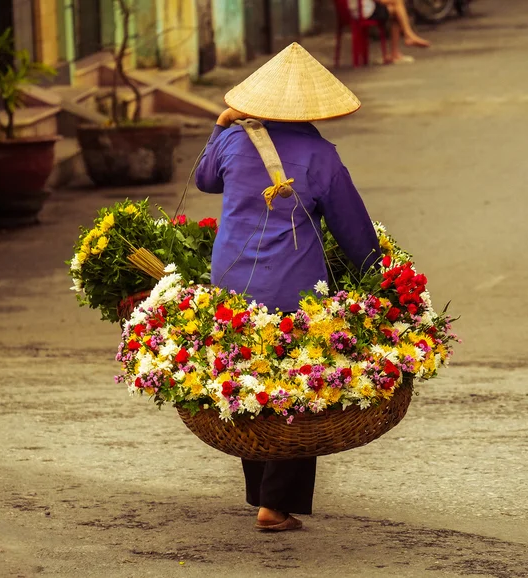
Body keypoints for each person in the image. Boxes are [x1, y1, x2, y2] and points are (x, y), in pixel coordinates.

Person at [194, 43, 381, 532]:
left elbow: (204, 179)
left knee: (250, 382)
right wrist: (375, 276)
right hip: (292, 291)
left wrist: (220, 125)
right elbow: (352, 230)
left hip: (230, 285)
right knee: (295, 390)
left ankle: (263, 495)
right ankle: (274, 505)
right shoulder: (321, 155)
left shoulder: (235, 142)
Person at [349, 0, 430, 63]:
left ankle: (404, 40)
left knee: (397, 9)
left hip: (352, 10)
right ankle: (408, 36)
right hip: (364, 10)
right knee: (398, 5)